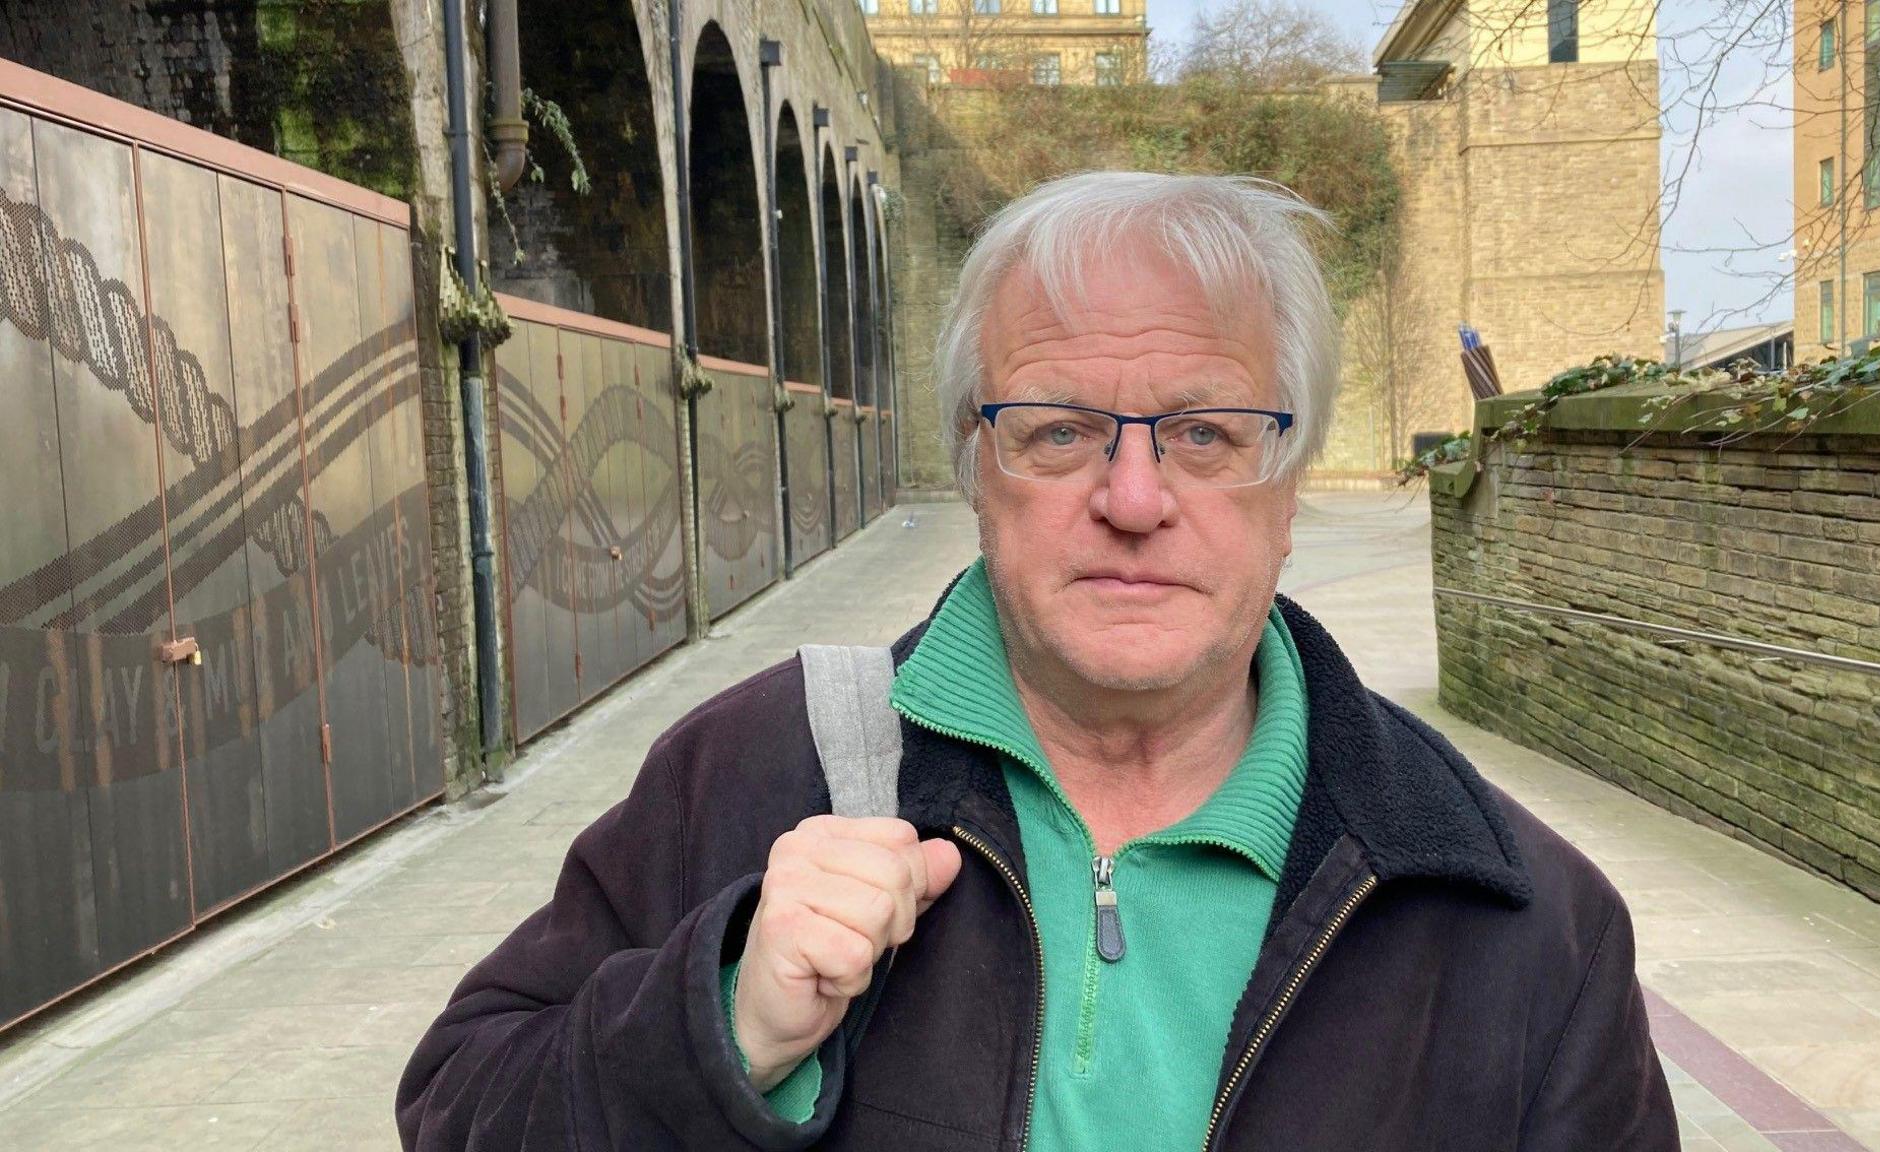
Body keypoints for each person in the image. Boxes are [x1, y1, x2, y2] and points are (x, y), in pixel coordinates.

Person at [397, 171, 1678, 1151]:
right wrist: (720, 1024)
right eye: (1059, 430)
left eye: (1207, 433)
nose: (1133, 496)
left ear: (1291, 485)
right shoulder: (746, 773)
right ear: (974, 470)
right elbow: (459, 1106)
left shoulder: (1520, 923)